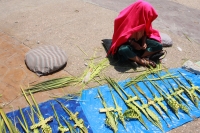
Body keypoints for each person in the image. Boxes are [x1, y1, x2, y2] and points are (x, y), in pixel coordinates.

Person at [108, 0, 165, 68]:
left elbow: (146, 32)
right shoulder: (125, 19)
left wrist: (144, 42)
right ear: (142, 13)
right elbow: (121, 37)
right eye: (146, 15)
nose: (147, 18)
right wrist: (133, 43)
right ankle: (142, 61)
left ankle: (141, 56)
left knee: (158, 45)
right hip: (128, 44)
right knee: (123, 50)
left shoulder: (144, 19)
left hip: (139, 43)